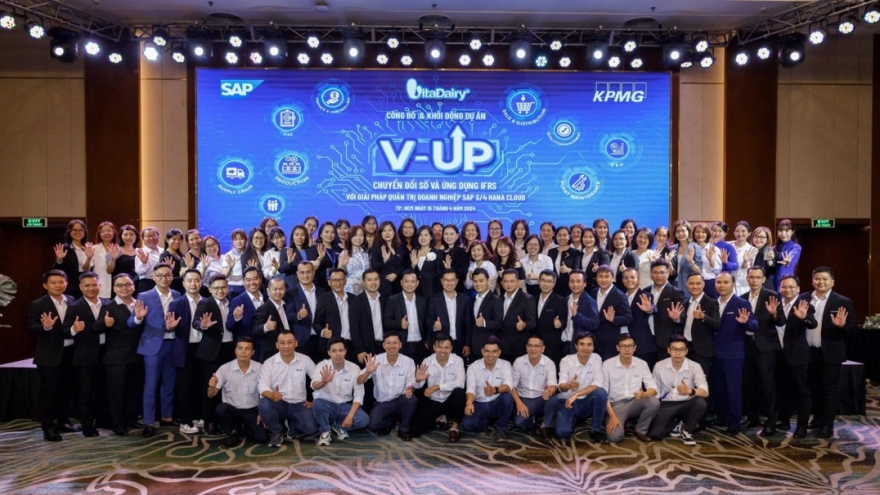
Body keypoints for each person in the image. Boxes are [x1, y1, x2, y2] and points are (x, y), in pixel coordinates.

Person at [128, 263, 181, 437]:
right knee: (151, 385)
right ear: (154, 277)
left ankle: (167, 416)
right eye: (160, 275)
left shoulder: (177, 294)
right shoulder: (144, 296)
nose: (164, 278)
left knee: (169, 384)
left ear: (172, 276)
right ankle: (149, 422)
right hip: (153, 346)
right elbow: (130, 322)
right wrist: (138, 317)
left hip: (173, 344)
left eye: (167, 275)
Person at [804, 266, 856, 439]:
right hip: (808, 352)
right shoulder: (804, 298)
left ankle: (827, 425)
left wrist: (842, 326)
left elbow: (852, 329)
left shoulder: (842, 301)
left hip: (830, 353)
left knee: (829, 390)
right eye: (817, 278)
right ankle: (817, 418)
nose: (821, 282)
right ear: (812, 280)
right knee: (813, 387)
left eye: (825, 279)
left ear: (832, 282)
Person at [27, 270, 78, 441]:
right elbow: (31, 328)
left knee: (66, 389)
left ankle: (63, 421)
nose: (58, 285)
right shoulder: (37, 304)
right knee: (49, 393)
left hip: (70, 352)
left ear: (66, 283)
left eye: (61, 282)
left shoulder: (72, 300)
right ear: (45, 285)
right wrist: (46, 327)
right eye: (53, 283)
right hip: (49, 355)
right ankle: (48, 427)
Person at [61, 272, 108, 438]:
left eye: (94, 285)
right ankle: (87, 426)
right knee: (86, 393)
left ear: (100, 285)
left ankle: (103, 420)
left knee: (103, 390)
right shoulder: (75, 307)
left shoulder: (107, 303)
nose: (91, 288)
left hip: (106, 354)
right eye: (87, 285)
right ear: (80, 287)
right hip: (85, 356)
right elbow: (65, 331)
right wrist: (74, 329)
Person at [96, 273, 144, 436]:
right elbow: (96, 327)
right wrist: (104, 323)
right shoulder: (108, 306)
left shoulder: (140, 303)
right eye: (120, 285)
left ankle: (131, 419)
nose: (124, 288)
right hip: (116, 357)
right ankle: (117, 423)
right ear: (114, 288)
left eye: (128, 284)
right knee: (116, 392)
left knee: (134, 390)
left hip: (138, 355)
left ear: (134, 287)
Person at [741, 266, 785, 437]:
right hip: (746, 345)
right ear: (747, 278)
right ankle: (753, 417)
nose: (754, 280)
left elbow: (781, 321)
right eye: (751, 277)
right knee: (749, 384)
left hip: (766, 347)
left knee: (768, 385)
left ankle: (771, 421)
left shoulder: (772, 296)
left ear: (764, 279)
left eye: (758, 277)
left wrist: (774, 314)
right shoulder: (742, 297)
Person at [193, 273, 237, 435]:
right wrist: (203, 325)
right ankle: (210, 421)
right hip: (212, 352)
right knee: (211, 386)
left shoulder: (232, 302)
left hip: (230, 350)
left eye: (223, 287)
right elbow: (196, 322)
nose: (220, 291)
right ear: (210, 289)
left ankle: (224, 421)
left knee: (228, 387)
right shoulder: (206, 303)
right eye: (216, 288)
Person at [712, 272, 757, 435]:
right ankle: (722, 417)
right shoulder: (712, 302)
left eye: (725, 282)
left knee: (733, 390)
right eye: (719, 282)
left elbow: (754, 324)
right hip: (714, 353)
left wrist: (746, 323)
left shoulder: (741, 303)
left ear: (733, 284)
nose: (722, 285)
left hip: (733, 354)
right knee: (719, 389)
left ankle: (734, 422)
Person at [258, 331, 319, 447]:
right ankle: (277, 432)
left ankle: (292, 423)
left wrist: (315, 400)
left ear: (296, 343)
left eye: (289, 342)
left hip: (299, 404)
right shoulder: (269, 363)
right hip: (279, 403)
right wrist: (271, 395)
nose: (286, 346)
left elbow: (317, 379)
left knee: (312, 429)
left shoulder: (305, 360)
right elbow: (262, 385)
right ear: (277, 345)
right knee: (264, 403)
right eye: (282, 343)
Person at [544, 331, 607, 442]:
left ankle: (596, 429)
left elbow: (598, 383)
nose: (585, 348)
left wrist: (577, 394)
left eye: (589, 344)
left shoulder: (596, 358)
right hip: (568, 402)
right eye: (582, 344)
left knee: (601, 393)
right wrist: (568, 385)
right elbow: (561, 387)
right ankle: (571, 418)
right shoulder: (566, 360)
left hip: (587, 402)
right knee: (562, 432)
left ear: (593, 347)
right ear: (576, 346)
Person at [208, 337, 269, 449]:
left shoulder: (260, 368)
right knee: (221, 408)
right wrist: (212, 386)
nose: (243, 352)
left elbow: (265, 392)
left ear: (253, 352)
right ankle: (233, 431)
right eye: (240, 348)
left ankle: (242, 429)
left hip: (252, 410)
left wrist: (262, 412)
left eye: (247, 349)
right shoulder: (225, 368)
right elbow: (211, 394)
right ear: (235, 351)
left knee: (262, 438)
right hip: (233, 410)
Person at [775, 274, 817, 438]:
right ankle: (784, 420)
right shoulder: (776, 304)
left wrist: (804, 317)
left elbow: (813, 323)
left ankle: (802, 426)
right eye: (784, 287)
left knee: (802, 391)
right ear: (780, 288)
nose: (787, 290)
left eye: (791, 287)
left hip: (797, 355)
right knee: (783, 389)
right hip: (779, 354)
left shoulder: (804, 305)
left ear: (798, 289)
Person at [648, 336, 709, 445]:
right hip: (666, 405)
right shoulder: (659, 366)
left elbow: (705, 392)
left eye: (681, 349)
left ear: (686, 351)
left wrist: (690, 390)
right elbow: (656, 391)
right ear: (668, 350)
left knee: (700, 402)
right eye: (674, 349)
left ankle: (687, 431)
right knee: (655, 434)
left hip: (686, 404)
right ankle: (676, 423)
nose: (678, 353)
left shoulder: (695, 366)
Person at [310, 337, 370, 446]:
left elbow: (359, 394)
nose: (338, 354)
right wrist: (323, 381)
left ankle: (338, 427)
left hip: (344, 406)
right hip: (327, 405)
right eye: (334, 351)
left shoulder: (354, 368)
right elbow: (314, 386)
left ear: (345, 351)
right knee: (318, 404)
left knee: (364, 420)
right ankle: (325, 431)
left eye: (341, 350)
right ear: (329, 353)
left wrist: (350, 416)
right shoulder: (322, 365)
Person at [167, 269, 205, 435]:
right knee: (184, 387)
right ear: (183, 283)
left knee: (199, 384)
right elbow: (167, 325)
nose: (193, 284)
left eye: (196, 280)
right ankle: (184, 421)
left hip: (203, 348)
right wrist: (169, 327)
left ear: (201, 282)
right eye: (189, 280)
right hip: (185, 349)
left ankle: (196, 416)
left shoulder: (206, 301)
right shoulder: (176, 303)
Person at [602, 333, 660, 443]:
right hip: (616, 405)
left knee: (654, 402)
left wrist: (643, 394)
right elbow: (603, 394)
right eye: (623, 346)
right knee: (615, 437)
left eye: (630, 346)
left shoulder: (642, 364)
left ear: (635, 348)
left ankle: (640, 430)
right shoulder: (607, 365)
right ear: (617, 348)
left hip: (635, 402)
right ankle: (611, 419)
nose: (627, 349)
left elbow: (653, 388)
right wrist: (612, 417)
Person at [361, 332, 418, 441]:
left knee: (412, 399)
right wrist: (367, 372)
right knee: (373, 425)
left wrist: (410, 390)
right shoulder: (376, 360)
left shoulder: (408, 362)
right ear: (383, 345)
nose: (392, 346)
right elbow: (359, 381)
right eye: (388, 343)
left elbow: (410, 384)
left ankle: (403, 429)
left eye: (395, 343)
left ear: (400, 345)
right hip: (383, 402)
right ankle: (390, 421)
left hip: (400, 400)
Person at [410, 335, 467, 441]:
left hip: (451, 401)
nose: (443, 351)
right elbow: (419, 386)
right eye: (439, 347)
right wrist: (417, 380)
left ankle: (454, 428)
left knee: (459, 393)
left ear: (451, 348)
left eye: (446, 347)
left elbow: (460, 383)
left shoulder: (458, 360)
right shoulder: (427, 361)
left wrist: (437, 387)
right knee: (414, 431)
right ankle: (439, 418)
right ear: (434, 347)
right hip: (434, 400)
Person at [463, 336, 515, 439]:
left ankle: (501, 426)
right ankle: (485, 422)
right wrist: (469, 402)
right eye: (487, 351)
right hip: (480, 403)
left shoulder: (505, 364)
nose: (490, 355)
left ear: (499, 352)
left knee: (507, 397)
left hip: (497, 402)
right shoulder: (473, 367)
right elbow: (470, 388)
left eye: (494, 351)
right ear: (482, 351)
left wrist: (494, 390)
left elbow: (509, 386)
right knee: (467, 425)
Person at [510, 335, 557, 434]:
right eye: (530, 346)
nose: (533, 349)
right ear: (526, 347)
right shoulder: (519, 362)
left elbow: (553, 385)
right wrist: (519, 403)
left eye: (537, 346)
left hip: (541, 398)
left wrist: (549, 392)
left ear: (543, 348)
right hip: (523, 398)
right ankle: (531, 420)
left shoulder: (549, 363)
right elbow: (512, 386)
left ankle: (545, 425)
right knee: (519, 422)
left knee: (554, 400)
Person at [382, 269, 428, 364]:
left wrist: (427, 343)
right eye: (406, 281)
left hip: (421, 346)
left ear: (417, 283)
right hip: (403, 347)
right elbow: (386, 322)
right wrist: (400, 324)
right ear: (401, 283)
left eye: (412, 281)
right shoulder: (392, 300)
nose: (409, 284)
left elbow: (427, 323)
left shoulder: (423, 301)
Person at [313, 268, 359, 360]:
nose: (338, 283)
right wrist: (323, 332)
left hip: (351, 346)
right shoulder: (324, 299)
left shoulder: (354, 298)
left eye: (341, 280)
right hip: (331, 345)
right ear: (329, 282)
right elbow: (316, 323)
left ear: (345, 281)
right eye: (334, 280)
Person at [590, 265, 633, 360]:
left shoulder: (619, 295)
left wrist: (613, 319)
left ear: (613, 278)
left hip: (609, 344)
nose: (603, 279)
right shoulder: (593, 292)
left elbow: (628, 318)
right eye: (600, 276)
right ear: (596, 278)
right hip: (593, 342)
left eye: (607, 276)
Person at [426, 268, 470, 356]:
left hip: (460, 345)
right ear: (441, 281)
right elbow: (428, 320)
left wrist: (467, 344)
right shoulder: (433, 299)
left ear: (456, 281)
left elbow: (468, 323)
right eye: (446, 280)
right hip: (441, 345)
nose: (449, 283)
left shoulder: (465, 299)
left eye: (452, 280)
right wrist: (434, 325)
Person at [620, 268, 658, 369]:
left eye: (632, 277)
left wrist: (649, 309)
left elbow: (654, 309)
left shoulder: (645, 296)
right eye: (626, 278)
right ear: (622, 280)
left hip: (641, 344)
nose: (629, 280)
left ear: (638, 279)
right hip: (621, 343)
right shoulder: (619, 296)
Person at [648, 259, 686, 358]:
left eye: (662, 272)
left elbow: (682, 316)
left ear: (668, 273)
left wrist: (676, 318)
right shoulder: (645, 291)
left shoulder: (676, 292)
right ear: (651, 274)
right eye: (655, 272)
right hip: (647, 340)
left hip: (666, 341)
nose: (658, 275)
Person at [252, 276, 295, 363]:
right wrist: (266, 327)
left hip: (287, 351)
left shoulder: (286, 306)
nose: (278, 292)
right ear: (268, 290)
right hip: (270, 354)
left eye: (281, 289)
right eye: (275, 289)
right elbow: (255, 330)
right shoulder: (263, 308)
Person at [288, 261, 324, 361]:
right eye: (302, 272)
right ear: (297, 274)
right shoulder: (291, 292)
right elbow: (288, 315)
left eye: (308, 272)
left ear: (313, 273)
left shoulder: (322, 292)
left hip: (321, 339)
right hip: (302, 341)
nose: (305, 276)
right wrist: (298, 315)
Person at [498, 269, 537, 360]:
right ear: (502, 283)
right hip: (501, 346)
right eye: (506, 281)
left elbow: (532, 322)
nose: (508, 284)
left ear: (518, 282)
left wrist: (524, 325)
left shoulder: (527, 299)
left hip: (518, 347)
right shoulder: (499, 299)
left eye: (512, 281)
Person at [534, 269, 569, 365]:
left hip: (552, 344)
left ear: (554, 283)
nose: (545, 284)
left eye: (549, 281)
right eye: (543, 280)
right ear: (539, 281)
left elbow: (564, 321)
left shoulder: (560, 300)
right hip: (535, 343)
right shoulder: (533, 298)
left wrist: (559, 324)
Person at [53, 219, 94, 299]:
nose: (78, 232)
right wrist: (59, 260)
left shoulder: (89, 247)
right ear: (69, 232)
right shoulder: (64, 248)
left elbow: (89, 268)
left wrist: (89, 257)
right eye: (74, 230)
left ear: (85, 232)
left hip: (88, 285)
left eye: (81, 230)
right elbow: (58, 271)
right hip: (71, 287)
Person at [468, 268, 501, 359]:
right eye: (475, 281)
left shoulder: (496, 300)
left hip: (489, 349)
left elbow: (499, 323)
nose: (478, 284)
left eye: (481, 281)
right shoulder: (472, 300)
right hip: (474, 348)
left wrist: (485, 323)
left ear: (488, 281)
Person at [563, 270, 599, 354]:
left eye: (578, 281)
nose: (575, 284)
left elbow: (595, 323)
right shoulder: (565, 299)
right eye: (572, 281)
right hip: (564, 341)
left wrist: (577, 316)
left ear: (585, 283)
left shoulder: (590, 301)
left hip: (578, 345)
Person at [371, 220, 405, 297]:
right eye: (384, 231)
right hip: (383, 286)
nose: (387, 233)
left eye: (389, 230)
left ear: (394, 232)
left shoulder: (400, 247)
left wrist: (396, 274)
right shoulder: (376, 247)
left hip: (398, 285)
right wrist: (384, 260)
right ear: (380, 233)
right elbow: (375, 268)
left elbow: (403, 266)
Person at [669, 220, 703, 293]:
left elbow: (699, 271)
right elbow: (671, 273)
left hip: (689, 285)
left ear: (688, 232)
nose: (680, 233)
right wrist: (668, 263)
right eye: (677, 231)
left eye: (683, 231)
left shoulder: (696, 248)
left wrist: (691, 262)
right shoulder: (672, 249)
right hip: (673, 285)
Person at [547, 226, 582, 297]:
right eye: (559, 235)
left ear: (569, 236)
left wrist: (568, 270)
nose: (562, 238)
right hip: (553, 288)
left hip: (569, 288)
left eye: (565, 235)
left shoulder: (575, 252)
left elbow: (578, 271)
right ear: (556, 236)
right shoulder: (551, 252)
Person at [339, 224, 370, 295]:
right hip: (350, 290)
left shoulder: (366, 254)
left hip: (365, 289)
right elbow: (339, 273)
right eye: (355, 235)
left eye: (361, 235)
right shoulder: (345, 253)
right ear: (350, 236)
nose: (358, 238)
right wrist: (343, 265)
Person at [692, 223, 721, 298]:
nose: (700, 234)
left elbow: (717, 271)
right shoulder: (691, 249)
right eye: (697, 232)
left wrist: (710, 259)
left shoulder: (714, 249)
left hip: (709, 283)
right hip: (694, 283)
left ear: (707, 234)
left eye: (703, 232)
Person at [309, 222, 340, 291]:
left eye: (332, 232)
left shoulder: (337, 249)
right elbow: (311, 268)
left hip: (335, 285)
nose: (329, 234)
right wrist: (320, 258)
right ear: (320, 234)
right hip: (319, 286)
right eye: (326, 232)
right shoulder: (315, 248)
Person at [92, 221, 118, 298]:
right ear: (99, 234)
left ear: (114, 232)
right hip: (101, 286)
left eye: (109, 230)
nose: (106, 233)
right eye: (103, 231)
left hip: (118, 286)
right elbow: (86, 268)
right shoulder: (94, 249)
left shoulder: (120, 249)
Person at [441, 224, 470, 293]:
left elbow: (464, 271)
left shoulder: (461, 252)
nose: (448, 236)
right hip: (441, 289)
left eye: (451, 234)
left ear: (457, 236)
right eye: (446, 234)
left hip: (457, 290)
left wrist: (450, 269)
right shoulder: (440, 252)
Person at [731, 221, 758, 295]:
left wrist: (745, 261)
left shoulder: (752, 249)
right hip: (729, 281)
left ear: (749, 233)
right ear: (734, 233)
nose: (740, 234)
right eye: (737, 231)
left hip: (743, 284)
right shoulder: (729, 245)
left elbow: (748, 268)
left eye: (743, 231)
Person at [774, 219, 801, 290]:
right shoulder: (774, 248)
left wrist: (787, 261)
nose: (783, 233)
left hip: (786, 280)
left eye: (787, 230)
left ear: (792, 231)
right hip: (772, 280)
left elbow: (790, 257)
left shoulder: (796, 247)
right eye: (780, 230)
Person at [221, 229, 248, 298]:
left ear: (246, 240)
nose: (239, 241)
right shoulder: (228, 255)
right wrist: (230, 268)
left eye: (241, 239)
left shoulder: (249, 254)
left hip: (247, 286)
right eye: (236, 239)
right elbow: (223, 275)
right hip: (233, 288)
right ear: (232, 241)